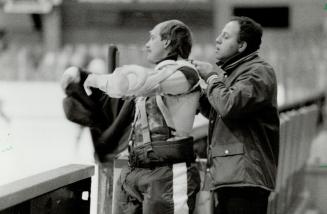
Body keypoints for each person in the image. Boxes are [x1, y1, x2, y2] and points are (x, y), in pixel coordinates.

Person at [62, 20, 201, 214]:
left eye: (152, 38)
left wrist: (99, 79)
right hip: (134, 170)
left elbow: (142, 85)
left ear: (168, 42)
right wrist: (86, 79)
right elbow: (127, 91)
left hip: (167, 172)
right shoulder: (156, 76)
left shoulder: (186, 74)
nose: (147, 44)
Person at [193, 16, 280, 214]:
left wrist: (212, 77)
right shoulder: (236, 72)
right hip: (232, 175)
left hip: (245, 179)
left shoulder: (258, 72)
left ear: (241, 45)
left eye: (225, 37)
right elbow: (223, 113)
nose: (217, 40)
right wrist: (199, 94)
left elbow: (229, 105)